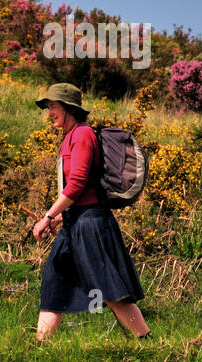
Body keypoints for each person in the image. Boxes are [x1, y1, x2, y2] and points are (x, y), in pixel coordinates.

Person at [30, 83, 150, 342]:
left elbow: (78, 183)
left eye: (53, 107)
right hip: (74, 221)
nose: (49, 113)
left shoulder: (83, 134)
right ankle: (38, 346)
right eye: (48, 107)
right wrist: (61, 216)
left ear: (69, 108)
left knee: (108, 288)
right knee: (54, 280)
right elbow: (79, 190)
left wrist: (48, 217)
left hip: (91, 224)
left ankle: (145, 341)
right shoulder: (70, 135)